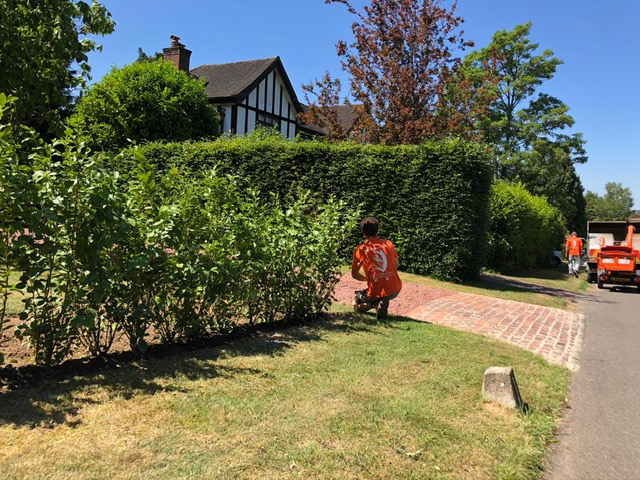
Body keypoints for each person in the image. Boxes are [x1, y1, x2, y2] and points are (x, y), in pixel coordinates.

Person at [351, 216, 402, 319]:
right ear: (377, 230)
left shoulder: (360, 249)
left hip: (374, 291)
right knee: (381, 294)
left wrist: (368, 278)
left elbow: (355, 274)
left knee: (355, 303)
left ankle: (374, 304)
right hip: (395, 289)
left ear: (363, 233)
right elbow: (396, 264)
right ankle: (379, 302)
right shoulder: (388, 244)